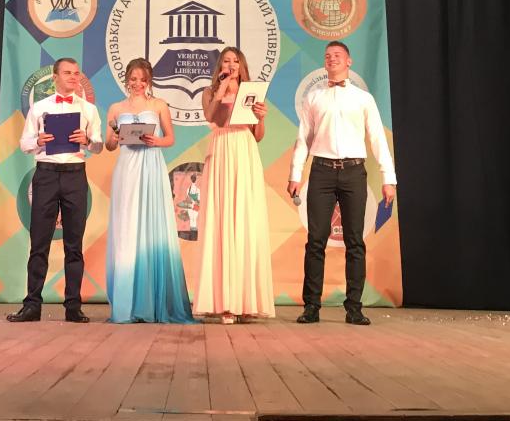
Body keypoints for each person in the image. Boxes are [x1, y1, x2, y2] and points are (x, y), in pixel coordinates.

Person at [288, 41, 397, 325]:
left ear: (349, 62)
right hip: (322, 171)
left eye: (337, 55)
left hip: (353, 172)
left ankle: (354, 307)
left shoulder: (363, 99)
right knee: (315, 241)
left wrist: (388, 178)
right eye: (327, 56)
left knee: (354, 242)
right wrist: (295, 174)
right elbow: (303, 138)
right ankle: (311, 306)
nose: (332, 58)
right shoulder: (314, 97)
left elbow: (377, 138)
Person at [8, 58, 103, 323]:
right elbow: (24, 144)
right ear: (55, 77)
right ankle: (32, 305)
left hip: (75, 175)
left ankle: (73, 306)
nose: (73, 77)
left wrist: (88, 140)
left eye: (76, 73)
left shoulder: (89, 109)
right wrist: (38, 140)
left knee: (74, 245)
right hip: (46, 174)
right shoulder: (39, 107)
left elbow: (99, 145)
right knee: (39, 243)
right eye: (67, 73)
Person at [104, 58, 195, 324]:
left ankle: (153, 301)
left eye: (142, 79)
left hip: (151, 165)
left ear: (149, 81)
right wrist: (114, 134)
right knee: (127, 228)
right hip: (127, 168)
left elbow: (170, 138)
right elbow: (109, 145)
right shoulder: (115, 108)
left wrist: (155, 140)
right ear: (126, 79)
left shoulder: (158, 105)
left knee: (152, 226)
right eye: (133, 79)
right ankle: (126, 303)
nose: (137, 84)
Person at [194, 47, 275, 324]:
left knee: (245, 222)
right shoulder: (209, 92)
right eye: (226, 61)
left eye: (235, 61)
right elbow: (211, 117)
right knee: (222, 221)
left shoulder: (251, 93)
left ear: (242, 66)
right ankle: (225, 303)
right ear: (220, 66)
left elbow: (258, 135)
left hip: (245, 151)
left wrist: (261, 117)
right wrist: (222, 88)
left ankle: (246, 301)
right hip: (222, 149)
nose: (231, 65)